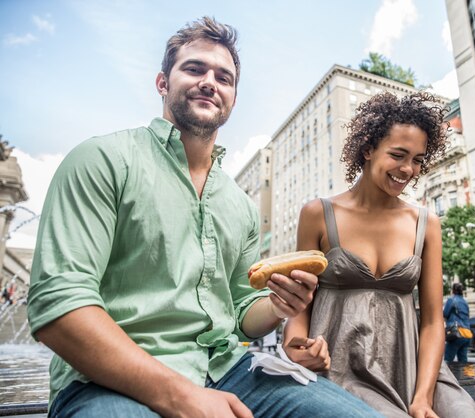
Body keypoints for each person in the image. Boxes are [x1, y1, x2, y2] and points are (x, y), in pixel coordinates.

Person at [27, 16, 382, 418]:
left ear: (232, 98)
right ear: (162, 83)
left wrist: (279, 306)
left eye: (224, 77)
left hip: (229, 369)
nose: (210, 82)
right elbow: (57, 306)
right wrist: (181, 395)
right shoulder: (102, 160)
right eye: (194, 69)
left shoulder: (241, 206)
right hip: (105, 379)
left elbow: (242, 312)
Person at [283, 92, 475, 418]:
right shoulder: (318, 213)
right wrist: (297, 349)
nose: (408, 169)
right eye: (398, 155)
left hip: (415, 365)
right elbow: (299, 306)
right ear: (367, 149)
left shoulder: (426, 224)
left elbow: (433, 320)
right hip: (342, 367)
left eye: (418, 160)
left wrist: (423, 397)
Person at [443, 283, 471, 363]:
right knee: (463, 361)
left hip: (457, 333)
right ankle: (465, 375)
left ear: (453, 290)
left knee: (447, 360)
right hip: (467, 333)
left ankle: (448, 376)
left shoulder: (451, 300)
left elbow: (445, 314)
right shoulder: (465, 302)